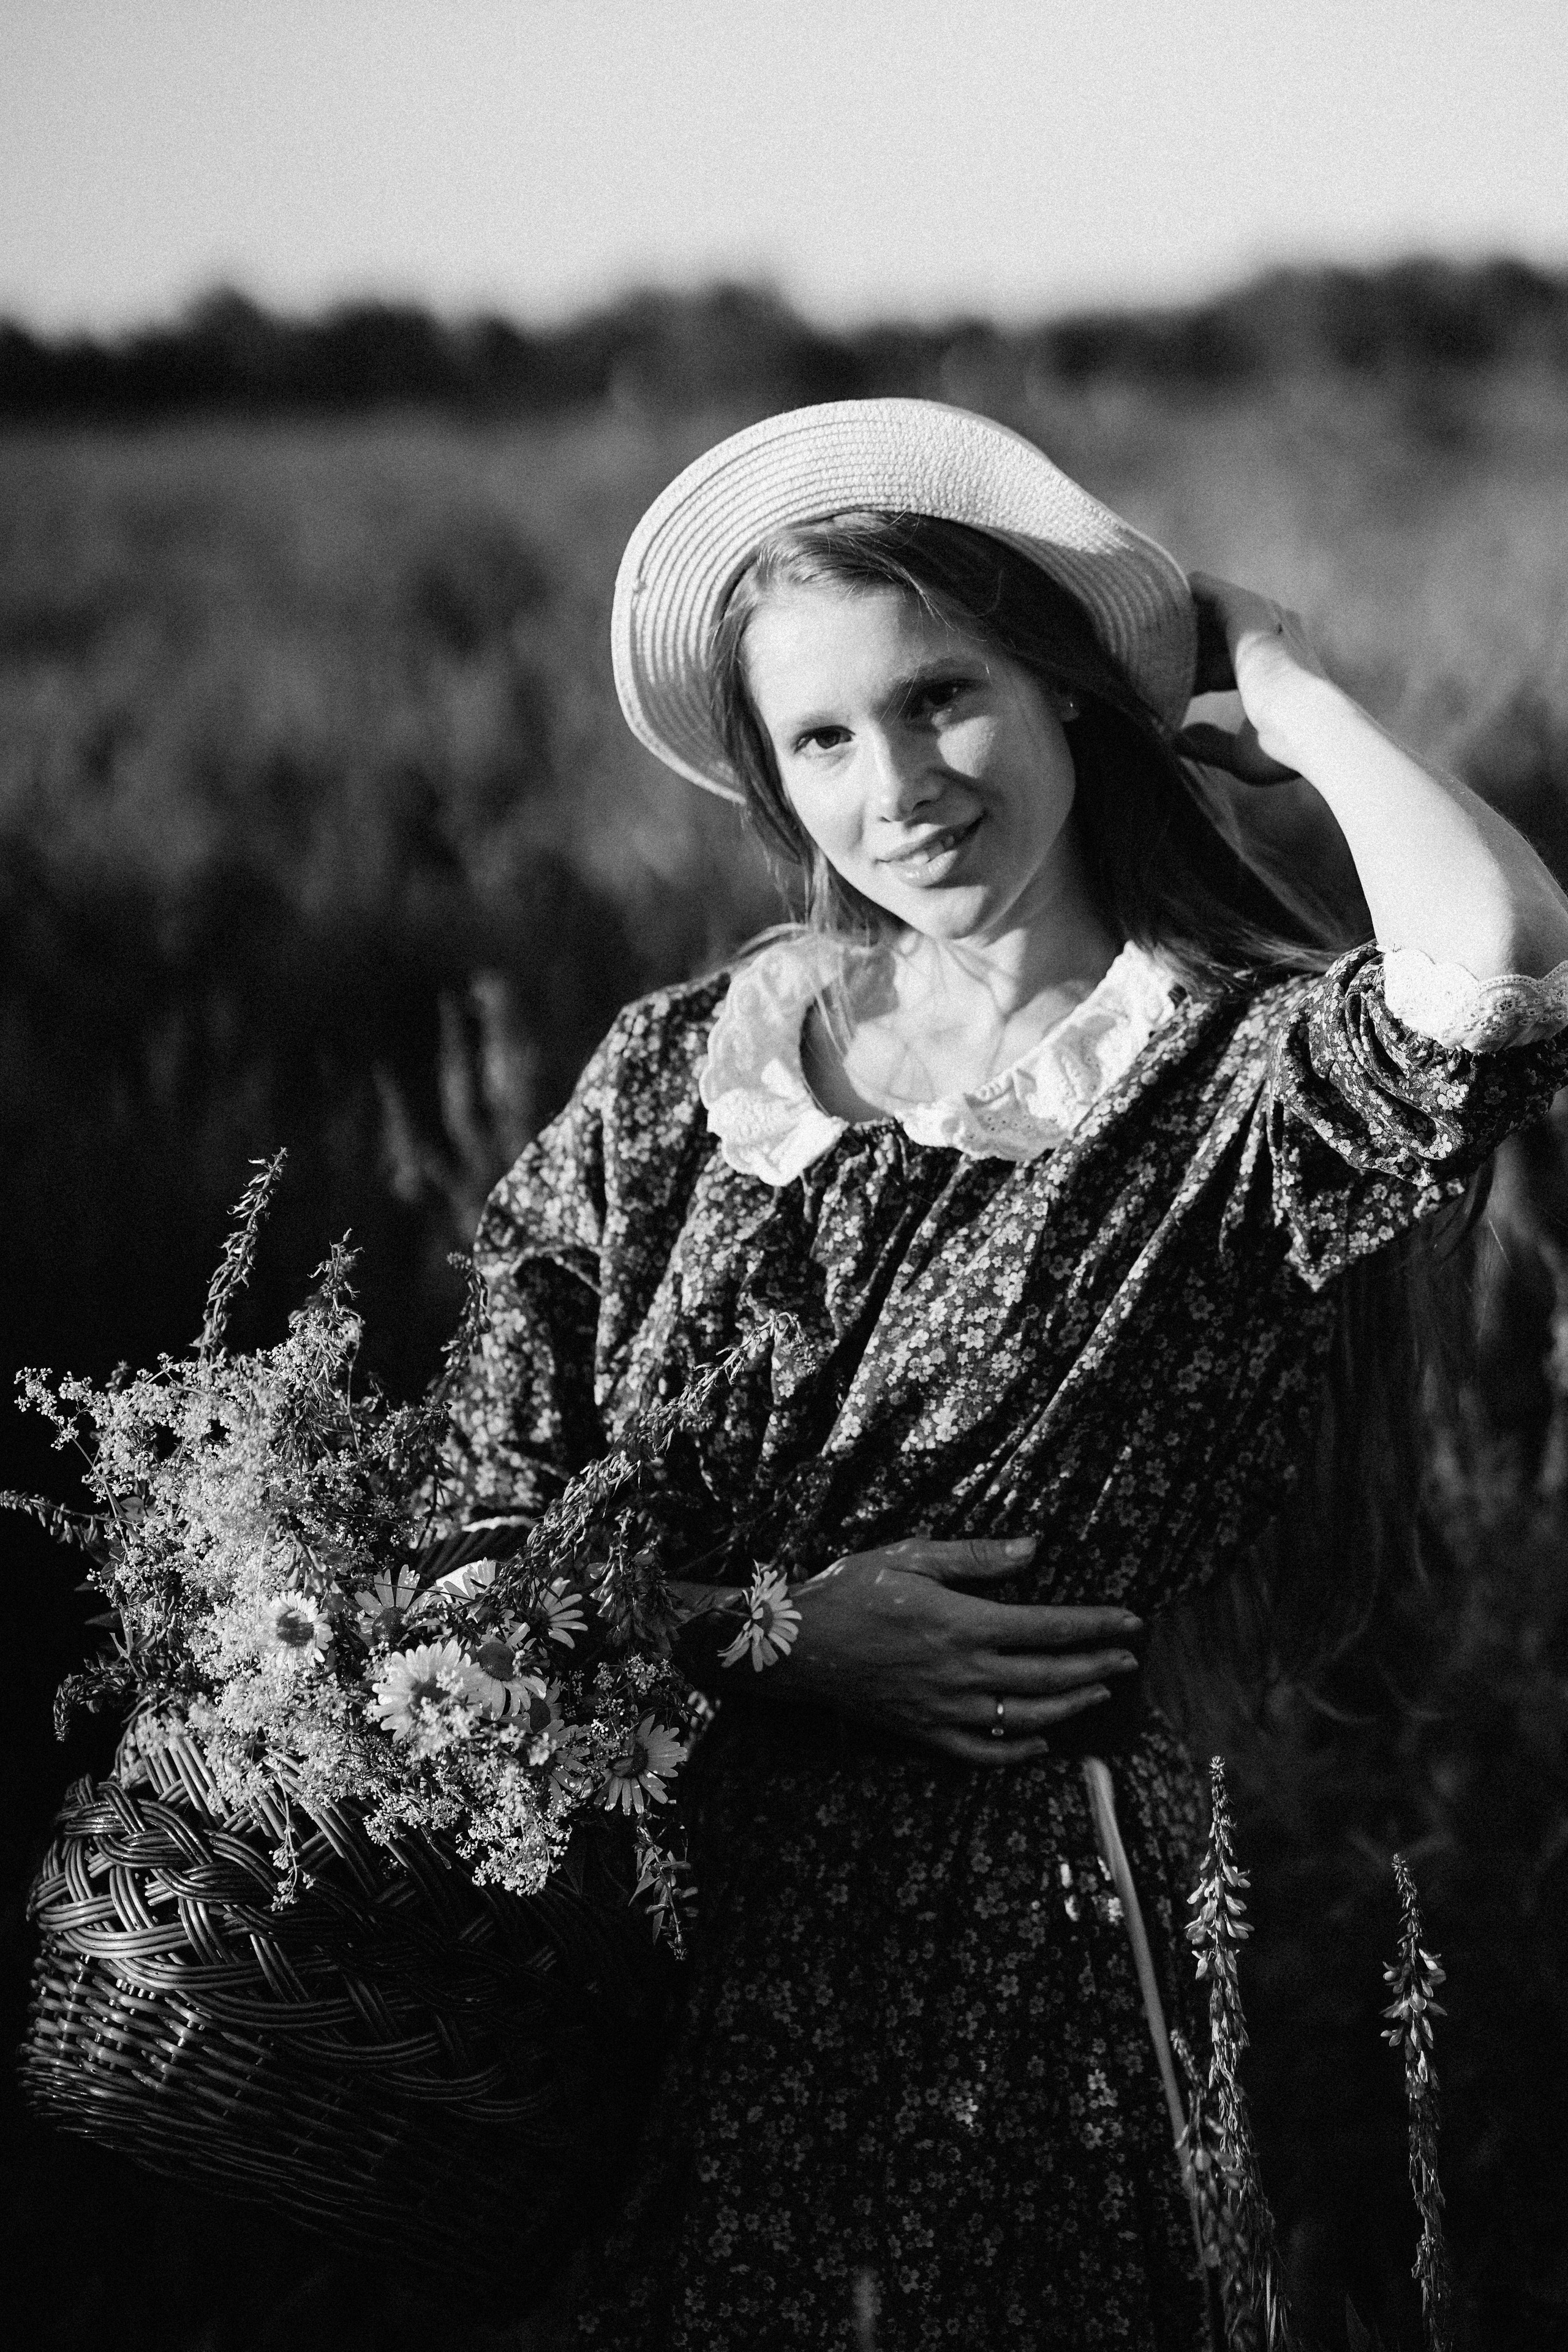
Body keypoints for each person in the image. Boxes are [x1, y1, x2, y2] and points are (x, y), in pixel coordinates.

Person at [447, 399, 1568, 2350]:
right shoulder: (671, 1078)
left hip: (1011, 1974)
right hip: (624, 1959)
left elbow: (1500, 967)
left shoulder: (1227, 1083)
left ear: (1061, 690)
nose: (898, 789)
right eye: (821, 738)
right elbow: (469, 1534)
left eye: (943, 697)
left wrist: (1287, 684)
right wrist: (767, 1636)